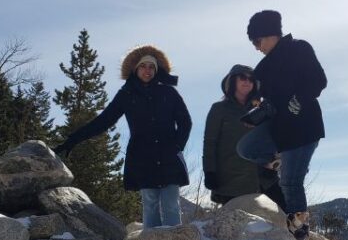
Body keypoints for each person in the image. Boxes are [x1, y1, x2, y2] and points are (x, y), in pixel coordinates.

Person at [54, 45, 192, 228]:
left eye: (152, 67)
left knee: (171, 205)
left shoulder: (168, 92)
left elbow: (185, 121)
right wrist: (73, 139)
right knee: (150, 205)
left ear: (157, 70)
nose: (147, 70)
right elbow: (103, 121)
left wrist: (177, 146)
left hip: (169, 156)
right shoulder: (126, 95)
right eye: (143, 66)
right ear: (136, 69)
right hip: (143, 156)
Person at [237, 10, 327, 240]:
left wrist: (300, 98)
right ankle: (276, 159)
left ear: (271, 35)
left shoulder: (300, 48)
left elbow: (319, 80)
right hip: (278, 127)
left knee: (290, 182)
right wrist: (257, 113)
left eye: (257, 41)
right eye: (252, 43)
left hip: (305, 127)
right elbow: (270, 101)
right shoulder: (263, 68)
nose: (256, 48)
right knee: (246, 148)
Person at [202, 64, 286, 209]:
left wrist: (272, 166)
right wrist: (209, 171)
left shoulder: (262, 109)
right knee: (237, 226)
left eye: (251, 79)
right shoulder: (219, 109)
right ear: (232, 81)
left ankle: (299, 232)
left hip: (264, 178)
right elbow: (210, 143)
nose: (247, 81)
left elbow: (274, 139)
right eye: (242, 77)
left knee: (289, 210)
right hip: (231, 181)